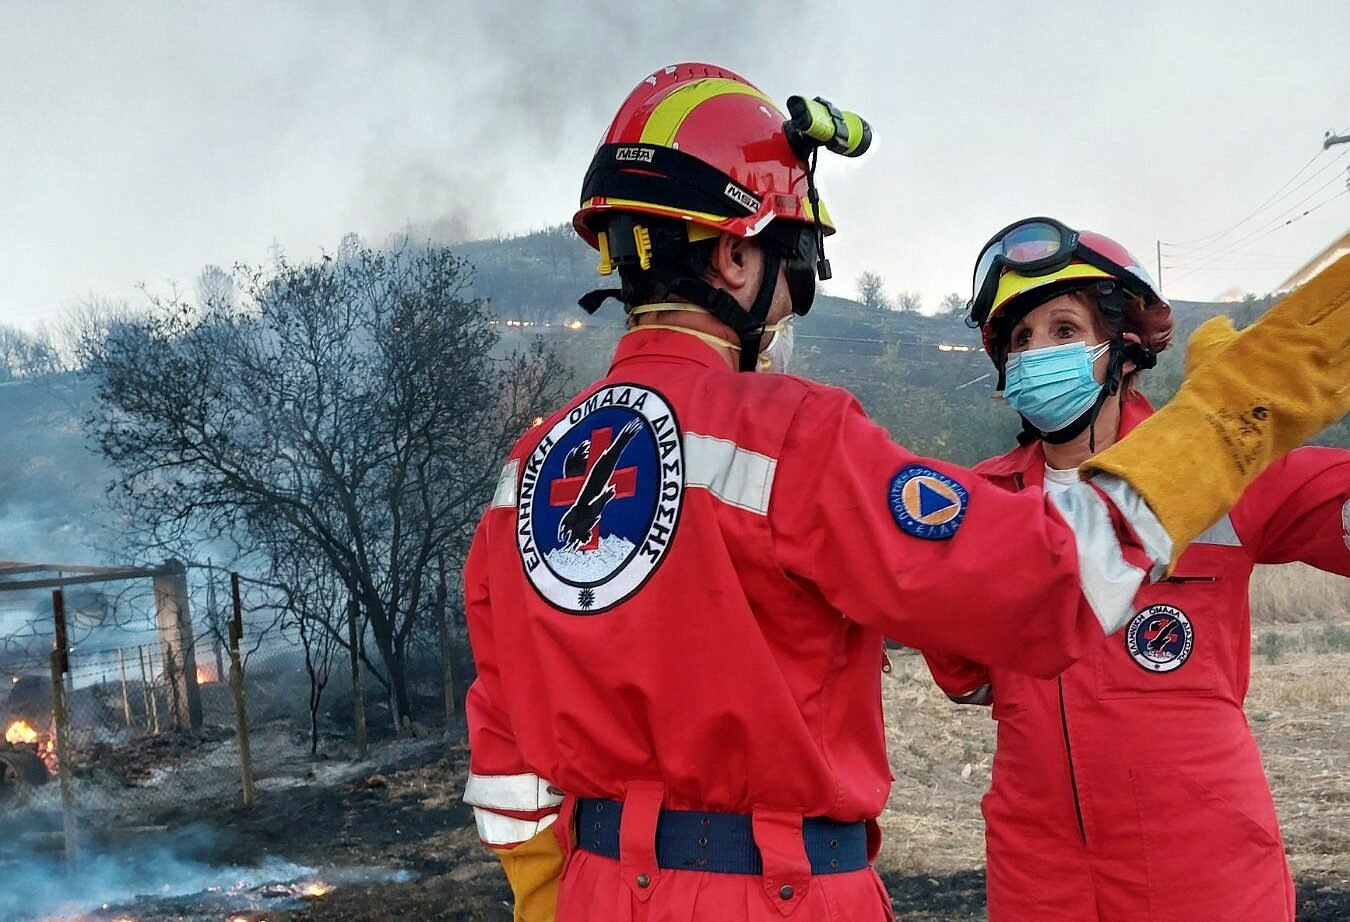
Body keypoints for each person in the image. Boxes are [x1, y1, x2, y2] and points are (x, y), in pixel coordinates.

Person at [461, 63, 1349, 922]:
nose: (783, 318)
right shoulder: (796, 436)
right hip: (782, 891)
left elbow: (506, 766)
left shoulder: (523, 473)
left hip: (595, 888)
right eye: (788, 278)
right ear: (735, 256)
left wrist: (562, 899)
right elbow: (1043, 585)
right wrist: (1231, 415)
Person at [923, 216, 1350, 922]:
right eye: (1021, 341)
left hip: (1206, 867)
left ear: (1122, 348)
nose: (1036, 355)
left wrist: (1252, 428)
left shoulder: (1213, 460)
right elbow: (963, 679)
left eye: (1063, 330)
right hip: (1038, 872)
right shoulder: (978, 501)